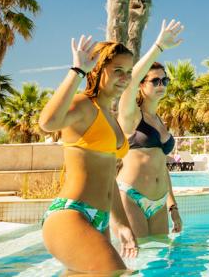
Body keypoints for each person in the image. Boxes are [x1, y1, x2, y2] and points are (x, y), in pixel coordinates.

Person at [37, 35, 136, 274]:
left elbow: (107, 178)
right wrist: (77, 70)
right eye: (118, 70)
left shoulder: (108, 114)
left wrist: (121, 223)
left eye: (129, 71)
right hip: (72, 214)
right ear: (97, 70)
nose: (125, 78)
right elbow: (47, 123)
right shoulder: (83, 104)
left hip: (98, 218)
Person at [116, 20, 185, 243]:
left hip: (159, 201)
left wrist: (172, 206)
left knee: (158, 260)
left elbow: (161, 166)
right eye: (155, 81)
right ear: (142, 86)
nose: (161, 84)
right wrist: (159, 46)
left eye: (164, 80)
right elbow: (130, 81)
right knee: (138, 257)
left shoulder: (159, 120)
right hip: (132, 197)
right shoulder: (132, 116)